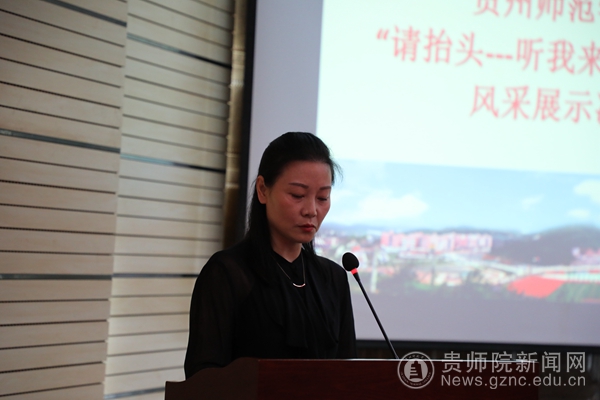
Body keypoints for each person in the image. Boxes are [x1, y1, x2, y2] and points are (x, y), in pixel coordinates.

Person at [184, 132, 356, 378]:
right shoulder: (228, 273)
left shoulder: (333, 278)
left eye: (322, 197)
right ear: (263, 190)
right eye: (297, 195)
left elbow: (350, 373)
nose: (311, 210)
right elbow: (203, 376)